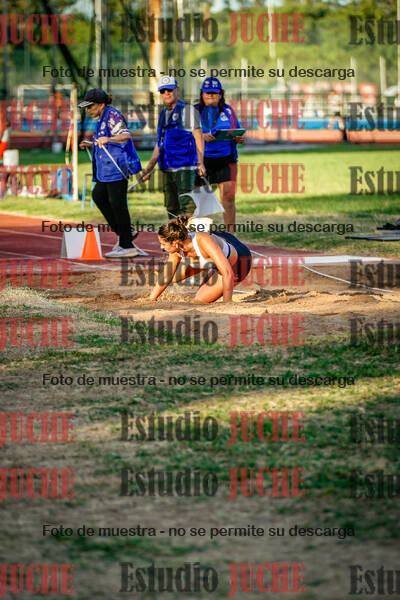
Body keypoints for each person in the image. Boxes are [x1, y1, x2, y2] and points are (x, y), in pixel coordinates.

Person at [78, 88, 142, 258]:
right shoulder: (102, 118)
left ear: (101, 104)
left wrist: (109, 139)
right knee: (98, 196)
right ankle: (126, 233)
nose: (88, 110)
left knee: (117, 204)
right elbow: (104, 141)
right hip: (105, 170)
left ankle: (127, 245)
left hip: (117, 167)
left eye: (90, 106)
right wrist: (90, 143)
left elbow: (125, 135)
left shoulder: (112, 115)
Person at [141, 76, 206, 219]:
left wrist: (200, 162)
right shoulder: (163, 113)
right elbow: (160, 142)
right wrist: (149, 168)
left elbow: (198, 136)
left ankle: (190, 232)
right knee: (171, 207)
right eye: (163, 91)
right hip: (167, 167)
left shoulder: (187, 110)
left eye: (169, 90)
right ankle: (176, 233)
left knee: (186, 205)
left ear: (177, 90)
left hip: (184, 166)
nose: (166, 93)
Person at [149, 216, 252, 303]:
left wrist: (227, 302)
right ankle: (208, 265)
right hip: (214, 252)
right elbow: (166, 276)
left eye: (163, 244)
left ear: (175, 242)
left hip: (239, 260)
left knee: (200, 300)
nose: (161, 247)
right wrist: (151, 299)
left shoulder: (203, 241)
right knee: (173, 277)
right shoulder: (177, 249)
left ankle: (210, 266)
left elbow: (227, 272)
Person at [194, 77, 244, 233]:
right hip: (202, 159)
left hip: (225, 159)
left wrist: (238, 138)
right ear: (202, 94)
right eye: (207, 93)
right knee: (198, 200)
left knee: (229, 198)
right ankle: (198, 235)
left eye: (214, 93)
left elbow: (237, 131)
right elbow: (183, 135)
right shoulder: (194, 111)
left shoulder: (228, 111)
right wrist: (201, 136)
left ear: (221, 94)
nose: (211, 96)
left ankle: (231, 236)